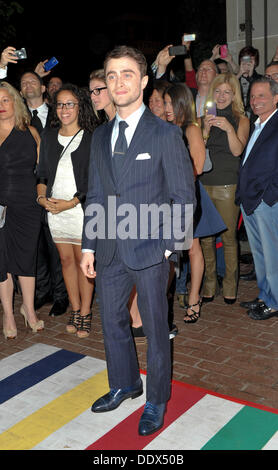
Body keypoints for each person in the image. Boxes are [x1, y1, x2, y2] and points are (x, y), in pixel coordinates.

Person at [80, 45, 196, 436]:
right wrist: (89, 246)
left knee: (155, 326)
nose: (118, 82)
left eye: (127, 74)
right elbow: (95, 194)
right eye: (111, 76)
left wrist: (166, 248)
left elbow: (184, 198)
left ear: (144, 81)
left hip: (151, 251)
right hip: (110, 249)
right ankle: (125, 383)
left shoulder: (165, 133)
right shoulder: (98, 139)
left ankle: (157, 398)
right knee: (111, 321)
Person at [37, 84, 97, 337]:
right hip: (54, 209)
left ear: (80, 106)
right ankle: (74, 308)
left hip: (80, 208)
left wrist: (71, 202)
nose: (64, 109)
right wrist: (41, 197)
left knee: (84, 261)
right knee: (65, 260)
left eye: (70, 104)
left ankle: (85, 311)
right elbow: (41, 173)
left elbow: (95, 179)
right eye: (60, 104)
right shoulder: (49, 136)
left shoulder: (91, 136)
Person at [164, 82, 226, 322]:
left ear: (181, 103)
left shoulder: (191, 129)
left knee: (192, 248)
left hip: (187, 195)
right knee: (170, 249)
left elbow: (198, 167)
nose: (167, 108)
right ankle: (169, 296)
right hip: (166, 196)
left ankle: (193, 298)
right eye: (165, 103)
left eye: (171, 103)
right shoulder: (164, 128)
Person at [20, 70, 69, 316]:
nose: (28, 85)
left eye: (33, 81)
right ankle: (42, 292)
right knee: (34, 246)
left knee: (56, 245)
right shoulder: (15, 117)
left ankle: (61, 296)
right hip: (25, 192)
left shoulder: (59, 113)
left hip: (55, 189)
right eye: (23, 82)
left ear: (43, 88)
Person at [199, 73, 250, 304]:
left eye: (227, 92)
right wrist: (205, 131)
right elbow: (197, 151)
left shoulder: (241, 119)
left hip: (229, 184)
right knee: (206, 238)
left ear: (234, 95)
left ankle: (230, 286)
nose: (221, 96)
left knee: (228, 238)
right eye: (218, 91)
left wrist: (229, 128)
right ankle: (210, 284)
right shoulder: (203, 117)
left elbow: (238, 151)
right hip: (203, 183)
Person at [0, 81, 44, 339]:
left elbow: (43, 171)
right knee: (2, 261)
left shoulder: (31, 131)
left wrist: (43, 195)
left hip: (28, 205)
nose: (2, 106)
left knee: (27, 258)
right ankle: (8, 314)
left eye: (6, 100)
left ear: (15, 102)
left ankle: (28, 309)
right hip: (0, 206)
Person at [237, 77, 278, 320]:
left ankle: (274, 302)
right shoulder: (257, 124)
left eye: (261, 95)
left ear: (275, 98)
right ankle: (265, 295)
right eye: (253, 96)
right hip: (250, 200)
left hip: (266, 202)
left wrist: (269, 196)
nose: (255, 101)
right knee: (260, 254)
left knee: (273, 255)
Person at [237, 46, 262, 119]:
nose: (247, 63)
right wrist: (239, 74)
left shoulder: (260, 79)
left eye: (250, 60)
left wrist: (251, 77)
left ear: (255, 62)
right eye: (244, 59)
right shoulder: (235, 78)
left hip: (255, 119)